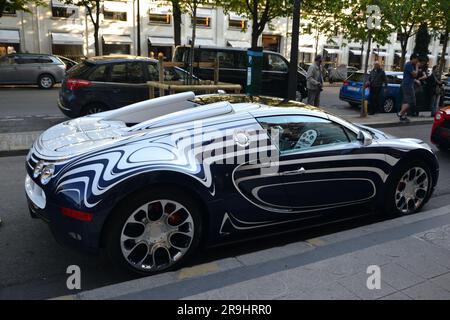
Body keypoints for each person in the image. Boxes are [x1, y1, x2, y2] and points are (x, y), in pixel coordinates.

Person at [398, 53, 419, 122]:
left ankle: (403, 116)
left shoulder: (409, 65)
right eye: (416, 59)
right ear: (413, 58)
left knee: (405, 101)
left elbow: (410, 76)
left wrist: (415, 80)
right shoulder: (409, 65)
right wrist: (417, 67)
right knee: (412, 101)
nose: (417, 61)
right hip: (408, 85)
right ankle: (401, 113)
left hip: (407, 84)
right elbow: (415, 74)